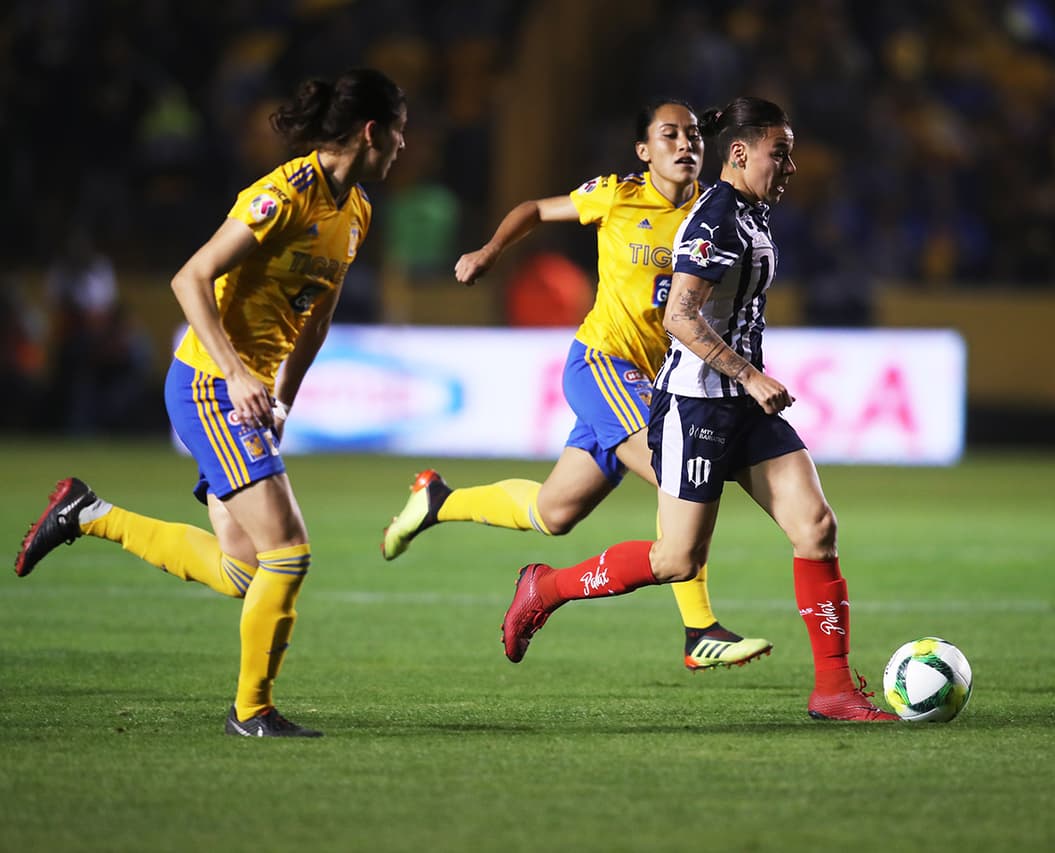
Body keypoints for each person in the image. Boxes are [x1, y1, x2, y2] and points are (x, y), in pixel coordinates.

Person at [14, 68, 408, 738]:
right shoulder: (283, 193)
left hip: (247, 392)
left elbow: (316, 318)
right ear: (372, 131)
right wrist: (237, 374)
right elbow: (189, 277)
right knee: (289, 552)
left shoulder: (357, 212)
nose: (404, 144)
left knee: (242, 567)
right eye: (399, 130)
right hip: (209, 384)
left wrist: (281, 396)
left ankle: (89, 512)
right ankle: (251, 712)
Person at [498, 97, 897, 722]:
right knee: (675, 559)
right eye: (781, 153)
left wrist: (749, 382)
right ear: (742, 153)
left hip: (745, 406)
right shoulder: (717, 218)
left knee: (816, 529)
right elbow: (679, 316)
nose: (790, 166)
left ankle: (835, 690)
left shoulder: (752, 212)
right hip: (696, 406)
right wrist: (749, 374)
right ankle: (545, 588)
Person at [381, 99, 772, 671]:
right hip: (604, 365)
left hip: (657, 381)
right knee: (675, 468)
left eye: (692, 135)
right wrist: (491, 251)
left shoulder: (713, 211)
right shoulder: (618, 195)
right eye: (669, 135)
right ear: (644, 150)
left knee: (553, 512)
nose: (685, 145)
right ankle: (699, 630)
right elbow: (536, 209)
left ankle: (439, 500)